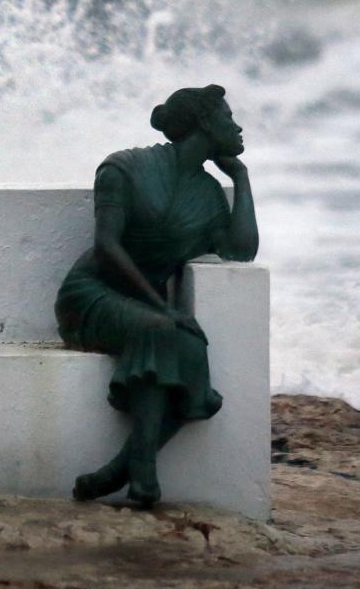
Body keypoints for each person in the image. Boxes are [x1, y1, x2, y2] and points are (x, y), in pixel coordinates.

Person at [55, 84, 258, 506]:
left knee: (187, 345)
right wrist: (160, 304)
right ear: (204, 123)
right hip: (92, 294)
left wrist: (240, 177)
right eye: (227, 118)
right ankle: (142, 475)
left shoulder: (206, 196)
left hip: (148, 308)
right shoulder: (125, 168)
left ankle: (121, 471)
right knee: (164, 330)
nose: (237, 128)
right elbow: (107, 247)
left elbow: (242, 249)